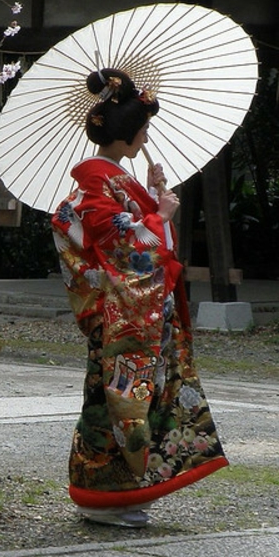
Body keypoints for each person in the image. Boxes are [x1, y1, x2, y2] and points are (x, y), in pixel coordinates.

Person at [51, 68, 228, 528]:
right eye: (143, 129)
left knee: (126, 402)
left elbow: (124, 236)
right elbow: (118, 247)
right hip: (122, 318)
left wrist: (150, 198)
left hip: (128, 312)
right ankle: (105, 497)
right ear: (129, 136)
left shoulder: (112, 181)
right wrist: (160, 215)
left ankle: (117, 494)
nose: (146, 135)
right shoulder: (97, 184)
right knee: (120, 403)